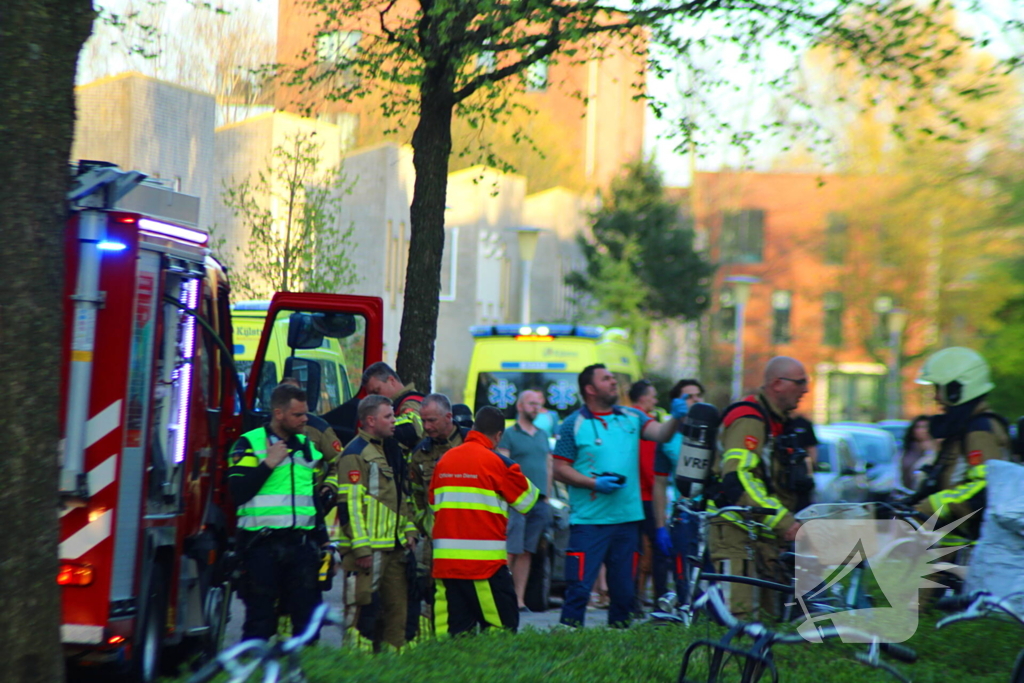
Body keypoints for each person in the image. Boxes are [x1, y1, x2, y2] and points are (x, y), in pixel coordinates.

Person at [553, 364, 682, 628]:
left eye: (613, 377)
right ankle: (567, 640)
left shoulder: (631, 416)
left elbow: (661, 434)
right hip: (589, 523)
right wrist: (594, 483)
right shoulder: (573, 424)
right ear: (590, 389)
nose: (614, 382)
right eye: (606, 379)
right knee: (578, 590)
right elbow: (558, 468)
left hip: (626, 522)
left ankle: (619, 643)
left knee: (624, 594)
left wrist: (676, 418)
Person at [707, 356, 810, 619]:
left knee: (767, 622)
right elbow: (738, 479)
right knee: (739, 622)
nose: (805, 389)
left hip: (759, 535)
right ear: (777, 384)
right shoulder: (749, 419)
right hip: (735, 534)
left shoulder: (776, 421)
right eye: (800, 383)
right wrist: (784, 522)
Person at [429, 406, 540, 635]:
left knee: (451, 639)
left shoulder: (444, 461)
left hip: (446, 568)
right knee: (501, 633)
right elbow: (528, 501)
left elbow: (433, 504)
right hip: (485, 569)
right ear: (498, 435)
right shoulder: (499, 464)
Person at [228, 383, 326, 641]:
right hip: (261, 546)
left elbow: (311, 497)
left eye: (306, 413)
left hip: (302, 547)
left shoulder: (306, 445)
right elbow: (237, 492)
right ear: (279, 413)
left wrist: (325, 543)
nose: (305, 419)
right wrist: (268, 464)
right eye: (298, 415)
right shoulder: (248, 443)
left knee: (307, 626)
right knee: (260, 623)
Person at [336, 394, 417, 651]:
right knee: (360, 611)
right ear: (370, 420)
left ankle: (392, 666)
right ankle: (358, 667)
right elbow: (349, 506)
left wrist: (409, 530)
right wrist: (361, 549)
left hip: (394, 548)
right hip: (368, 551)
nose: (395, 421)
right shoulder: (355, 453)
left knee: (397, 610)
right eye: (388, 416)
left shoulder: (390, 449)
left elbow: (400, 496)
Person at [911, 347, 1010, 540]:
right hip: (953, 542)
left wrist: (930, 506)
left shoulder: (979, 430)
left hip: (971, 545)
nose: (936, 397)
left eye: (939, 389)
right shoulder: (965, 427)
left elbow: (987, 485)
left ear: (957, 389)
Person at [497, 389, 554, 611]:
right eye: (531, 403)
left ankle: (519, 600)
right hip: (517, 502)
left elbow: (548, 465)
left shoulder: (542, 435)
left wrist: (547, 495)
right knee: (512, 549)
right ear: (519, 406)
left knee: (528, 551)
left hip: (539, 501)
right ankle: (503, 598)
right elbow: (504, 466)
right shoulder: (510, 434)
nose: (535, 407)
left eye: (538, 404)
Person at [652, 378, 705, 602]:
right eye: (688, 397)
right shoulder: (668, 437)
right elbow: (660, 483)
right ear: (677, 403)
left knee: (710, 574)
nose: (695, 400)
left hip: (711, 512)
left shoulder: (713, 431)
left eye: (698, 396)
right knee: (683, 575)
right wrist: (660, 526)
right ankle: (685, 615)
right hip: (684, 512)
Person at [628, 379, 668, 610]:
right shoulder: (645, 423)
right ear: (642, 398)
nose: (655, 400)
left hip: (631, 496)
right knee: (658, 551)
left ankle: (631, 598)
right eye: (652, 396)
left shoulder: (624, 419)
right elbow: (648, 463)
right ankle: (660, 601)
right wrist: (659, 492)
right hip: (647, 496)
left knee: (633, 550)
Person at [280, 377, 345, 502]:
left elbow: (342, 462)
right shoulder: (262, 432)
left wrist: (329, 486)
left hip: (310, 505)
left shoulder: (318, 429)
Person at [361, 362, 425, 453]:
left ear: (392, 381)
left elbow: (412, 429)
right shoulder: (396, 404)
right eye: (371, 396)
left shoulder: (411, 403)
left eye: (376, 391)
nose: (374, 399)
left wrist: (379, 424)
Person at [788, 414, 819, 511]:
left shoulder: (804, 423)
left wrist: (810, 469)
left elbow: (812, 449)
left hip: (800, 476)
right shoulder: (777, 421)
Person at [901, 415, 937, 490]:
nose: (922, 431)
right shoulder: (908, 449)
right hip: (905, 490)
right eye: (918, 427)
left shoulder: (936, 449)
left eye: (925, 427)